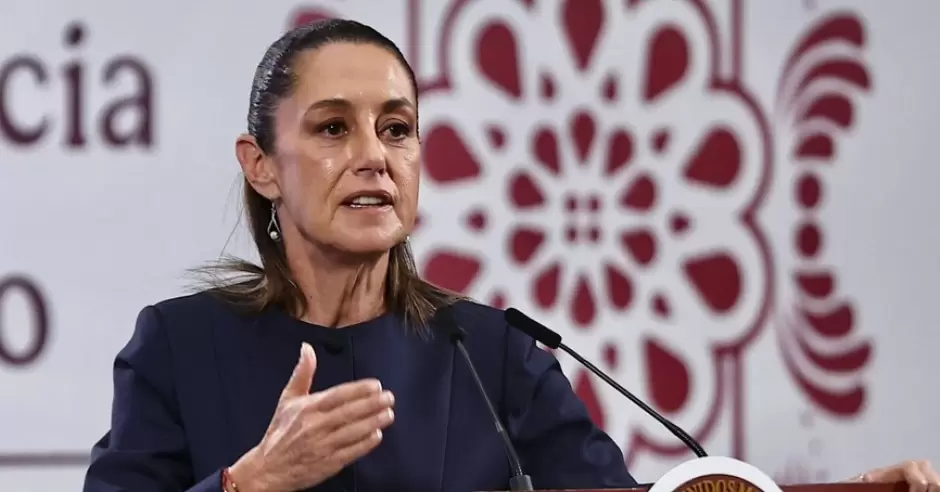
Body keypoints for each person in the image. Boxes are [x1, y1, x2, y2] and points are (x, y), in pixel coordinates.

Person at [83, 18, 939, 492]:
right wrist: (250, 485)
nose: (374, 156)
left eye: (397, 129)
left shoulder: (492, 352)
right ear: (261, 165)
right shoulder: (178, 346)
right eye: (333, 128)